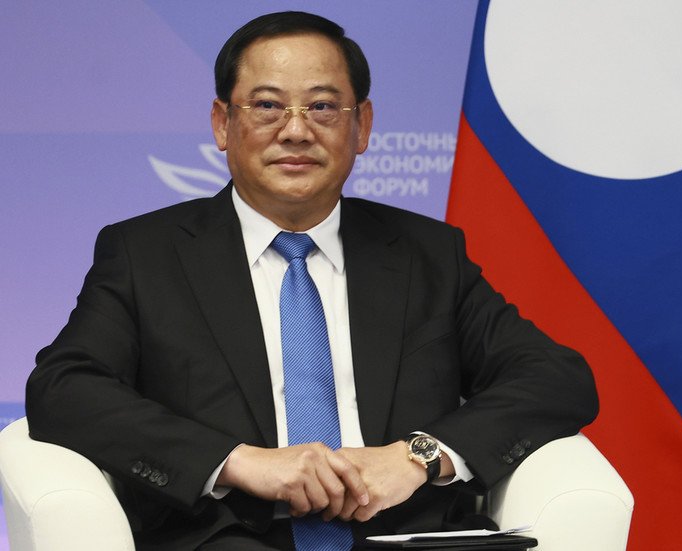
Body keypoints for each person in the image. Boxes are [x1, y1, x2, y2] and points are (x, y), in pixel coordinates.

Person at [24, 10, 597, 551]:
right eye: (267, 106)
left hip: (400, 538)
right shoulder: (147, 254)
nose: (296, 131)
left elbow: (556, 378)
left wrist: (417, 456)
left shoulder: (427, 254)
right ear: (223, 123)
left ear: (362, 125)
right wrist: (236, 460)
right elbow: (63, 388)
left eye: (322, 107)